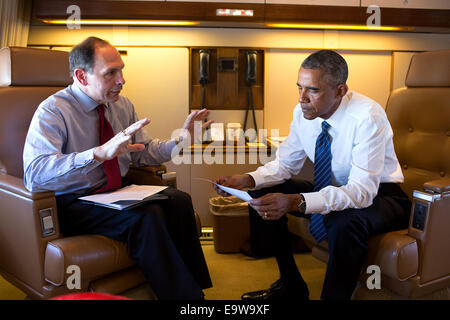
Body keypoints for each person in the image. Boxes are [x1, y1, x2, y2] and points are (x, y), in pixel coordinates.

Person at [23, 36, 213, 300]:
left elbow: (141, 152)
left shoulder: (122, 105)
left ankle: (195, 288)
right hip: (73, 200)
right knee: (148, 217)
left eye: (121, 70)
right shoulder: (53, 111)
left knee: (179, 200)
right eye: (111, 73)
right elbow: (35, 174)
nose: (122, 80)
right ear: (81, 76)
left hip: (115, 190)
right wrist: (98, 154)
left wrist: (179, 142)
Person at [214, 50, 411, 300]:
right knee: (262, 191)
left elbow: (362, 192)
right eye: (300, 88)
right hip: (334, 187)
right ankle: (291, 284)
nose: (302, 98)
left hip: (383, 196)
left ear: (340, 90)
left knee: (343, 221)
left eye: (313, 90)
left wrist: (297, 201)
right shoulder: (303, 113)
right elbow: (285, 165)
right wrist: (246, 179)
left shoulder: (367, 116)